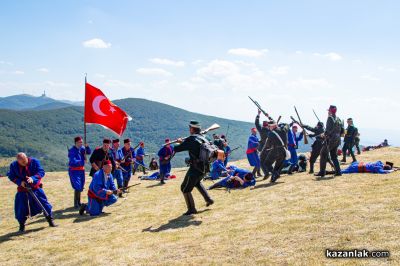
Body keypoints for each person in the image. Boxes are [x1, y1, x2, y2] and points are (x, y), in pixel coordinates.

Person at [173, 120, 214, 215]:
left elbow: (176, 148)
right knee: (197, 183)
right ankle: (209, 199)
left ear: (192, 128)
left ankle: (191, 209)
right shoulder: (205, 137)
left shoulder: (191, 139)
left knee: (184, 188)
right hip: (206, 167)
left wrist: (179, 142)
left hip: (196, 168)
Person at [7, 153, 56, 232]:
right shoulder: (13, 165)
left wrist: (33, 178)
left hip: (35, 188)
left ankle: (50, 221)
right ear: (18, 161)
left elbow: (41, 172)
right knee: (21, 208)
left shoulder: (35, 162)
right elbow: (11, 176)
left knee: (44, 204)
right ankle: (21, 226)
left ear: (26, 157)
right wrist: (20, 182)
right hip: (22, 190)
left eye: (24, 160)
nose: (24, 163)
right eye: (21, 162)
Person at [315, 105, 344, 177]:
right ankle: (338, 172)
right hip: (337, 139)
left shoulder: (330, 118)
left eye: (329, 110)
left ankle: (322, 172)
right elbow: (342, 131)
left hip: (330, 140)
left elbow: (327, 131)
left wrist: (323, 134)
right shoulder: (339, 119)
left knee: (323, 153)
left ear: (330, 111)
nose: (328, 112)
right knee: (334, 156)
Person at [68, 136, 92, 208]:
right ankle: (76, 203)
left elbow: (88, 152)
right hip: (74, 170)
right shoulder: (72, 150)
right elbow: (73, 161)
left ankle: (78, 202)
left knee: (81, 186)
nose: (81, 143)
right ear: (76, 142)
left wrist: (87, 147)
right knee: (77, 186)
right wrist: (82, 161)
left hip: (81, 170)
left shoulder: (82, 148)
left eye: (82, 142)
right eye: (80, 142)